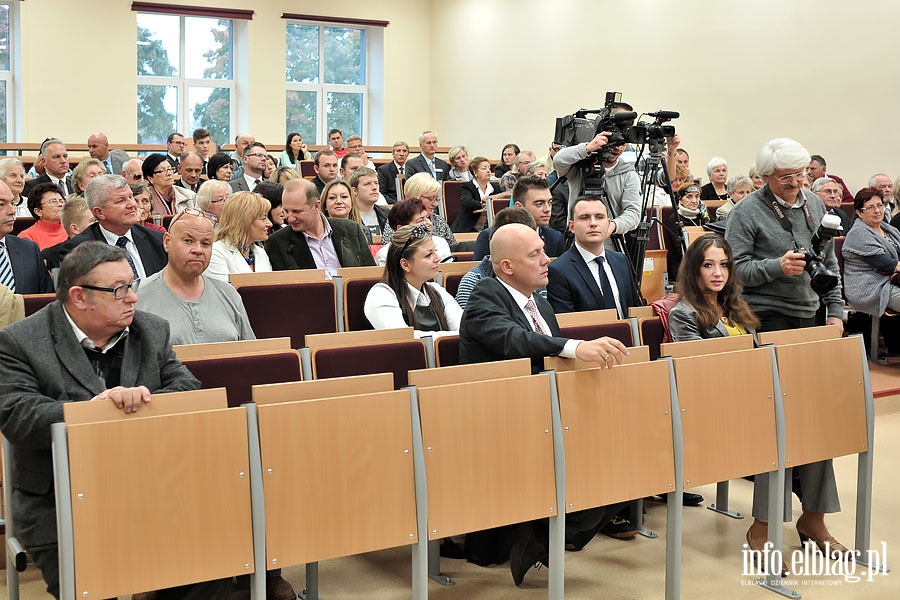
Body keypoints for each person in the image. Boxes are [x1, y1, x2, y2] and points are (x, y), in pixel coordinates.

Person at [0, 241, 232, 600]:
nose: (133, 299)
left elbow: (187, 386)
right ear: (79, 297)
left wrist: (144, 400)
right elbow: (18, 415)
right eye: (119, 290)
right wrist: (98, 410)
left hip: (152, 485)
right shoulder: (20, 341)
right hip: (60, 496)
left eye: (133, 285)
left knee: (212, 566)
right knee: (91, 584)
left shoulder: (150, 330)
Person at [458, 223, 630, 585]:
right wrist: (573, 347)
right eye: (534, 254)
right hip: (498, 418)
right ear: (507, 267)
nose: (546, 258)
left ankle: (543, 538)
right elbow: (512, 340)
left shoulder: (540, 302)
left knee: (626, 458)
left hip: (544, 413)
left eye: (543, 250)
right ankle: (537, 536)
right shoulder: (486, 295)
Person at [724, 137, 847, 566]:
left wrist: (835, 310)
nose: (796, 185)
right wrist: (777, 266)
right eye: (786, 179)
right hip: (767, 322)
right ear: (764, 178)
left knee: (817, 421)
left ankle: (814, 519)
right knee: (775, 425)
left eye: (801, 176)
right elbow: (731, 272)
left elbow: (827, 262)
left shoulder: (815, 204)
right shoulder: (746, 211)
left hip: (813, 319)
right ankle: (764, 522)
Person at [138, 210, 255, 345]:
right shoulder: (140, 297)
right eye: (188, 241)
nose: (198, 250)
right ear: (167, 242)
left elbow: (250, 354)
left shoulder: (229, 294)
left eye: (205, 243)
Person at [60, 175, 168, 279]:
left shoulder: (158, 241)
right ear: (99, 212)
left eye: (130, 197)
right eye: (121, 200)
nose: (132, 204)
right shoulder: (77, 250)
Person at [547, 195, 639, 317]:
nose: (593, 223)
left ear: (608, 224)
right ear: (572, 226)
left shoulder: (621, 260)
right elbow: (566, 325)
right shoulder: (558, 270)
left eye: (599, 217)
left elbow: (635, 309)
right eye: (584, 218)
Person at [365, 224, 462, 337]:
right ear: (405, 265)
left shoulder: (437, 290)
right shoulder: (381, 294)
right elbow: (403, 338)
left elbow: (465, 330)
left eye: (435, 251)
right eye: (428, 255)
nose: (438, 258)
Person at [265, 178, 375, 277]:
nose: (290, 218)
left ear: (316, 206)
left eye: (296, 211)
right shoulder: (278, 242)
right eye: (286, 211)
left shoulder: (351, 229)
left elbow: (370, 274)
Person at [554, 132, 642, 248]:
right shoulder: (579, 168)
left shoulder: (629, 174)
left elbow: (634, 214)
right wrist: (587, 148)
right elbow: (558, 161)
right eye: (614, 143)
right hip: (577, 245)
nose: (618, 148)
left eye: (623, 144)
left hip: (611, 246)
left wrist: (613, 225)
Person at [669, 234, 760, 340]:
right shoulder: (683, 314)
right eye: (708, 265)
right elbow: (697, 356)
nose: (718, 273)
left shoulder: (738, 305)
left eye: (724, 264)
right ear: (693, 270)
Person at [473, 176, 565, 261]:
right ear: (519, 207)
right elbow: (481, 275)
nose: (547, 209)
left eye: (550, 203)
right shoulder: (490, 237)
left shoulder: (555, 238)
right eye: (539, 204)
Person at [842, 187, 900, 319]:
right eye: (870, 207)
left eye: (880, 205)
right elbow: (882, 263)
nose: (877, 210)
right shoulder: (858, 232)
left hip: (890, 281)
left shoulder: (890, 229)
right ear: (859, 212)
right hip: (870, 288)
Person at [0, 180, 54, 293]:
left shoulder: (29, 250)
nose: (12, 211)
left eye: (12, 203)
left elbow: (46, 299)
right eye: (1, 204)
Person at [206, 191, 273, 282]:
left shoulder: (260, 253)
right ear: (245, 221)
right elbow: (224, 293)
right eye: (263, 218)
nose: (270, 224)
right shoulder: (216, 253)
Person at [382, 173, 457, 248]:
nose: (435, 204)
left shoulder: (439, 221)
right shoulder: (398, 219)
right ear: (415, 197)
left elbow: (453, 249)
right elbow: (390, 251)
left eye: (437, 199)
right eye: (430, 199)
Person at [375, 197, 451, 266]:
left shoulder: (439, 243)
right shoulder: (385, 254)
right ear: (401, 228)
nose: (429, 223)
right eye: (421, 220)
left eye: (427, 218)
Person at [664, 183, 710, 282]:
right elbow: (680, 248)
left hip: (707, 260)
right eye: (689, 197)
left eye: (697, 197)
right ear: (680, 199)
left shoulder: (704, 216)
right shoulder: (675, 218)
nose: (694, 201)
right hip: (684, 263)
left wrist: (706, 216)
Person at [42, 197, 95, 271]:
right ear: (75, 228)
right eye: (93, 221)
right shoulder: (50, 256)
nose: (99, 224)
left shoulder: (109, 245)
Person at [454, 156, 502, 233]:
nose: (488, 171)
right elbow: (467, 202)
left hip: (491, 228)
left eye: (489, 168)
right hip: (469, 228)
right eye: (484, 168)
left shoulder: (496, 188)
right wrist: (482, 205)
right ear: (475, 173)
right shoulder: (467, 186)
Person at [18, 183, 67, 250]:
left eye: (61, 201)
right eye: (53, 201)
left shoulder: (73, 229)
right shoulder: (27, 237)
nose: (60, 205)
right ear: (38, 211)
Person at [348, 167, 389, 242]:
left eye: (376, 183)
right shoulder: (347, 216)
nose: (374, 187)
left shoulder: (387, 213)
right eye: (367, 184)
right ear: (354, 190)